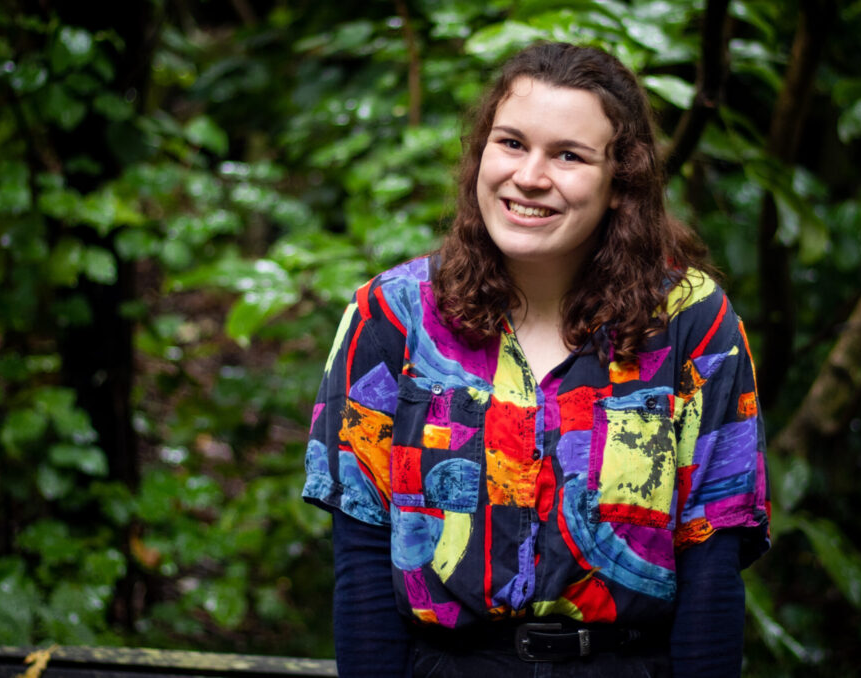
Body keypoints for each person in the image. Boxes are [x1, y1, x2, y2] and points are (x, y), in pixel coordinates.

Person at [302, 42, 770, 677]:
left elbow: (711, 571)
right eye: (512, 143)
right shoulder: (391, 317)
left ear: (618, 184)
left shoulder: (692, 323)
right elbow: (360, 566)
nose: (529, 176)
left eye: (569, 156)